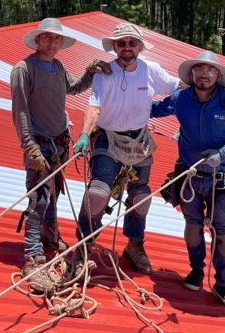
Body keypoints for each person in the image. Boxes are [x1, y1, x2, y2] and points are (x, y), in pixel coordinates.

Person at [10, 17, 111, 295]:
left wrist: (90, 73)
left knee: (53, 193)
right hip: (39, 144)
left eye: (57, 39)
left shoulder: (58, 66)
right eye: (48, 38)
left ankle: (48, 236)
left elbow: (73, 88)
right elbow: (20, 111)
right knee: (38, 199)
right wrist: (29, 146)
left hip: (58, 143)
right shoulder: (23, 69)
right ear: (38, 40)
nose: (53, 43)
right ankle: (33, 257)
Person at [72, 22, 180, 275]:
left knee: (140, 197)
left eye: (132, 43)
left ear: (140, 47)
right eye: (122, 43)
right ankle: (83, 247)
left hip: (139, 139)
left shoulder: (151, 70)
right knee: (98, 193)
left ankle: (134, 244)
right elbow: (94, 105)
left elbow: (180, 87)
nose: (127, 48)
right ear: (115, 47)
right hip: (109, 138)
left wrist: (213, 89)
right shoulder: (104, 72)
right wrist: (85, 133)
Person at [150, 50, 225, 314]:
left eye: (209, 70)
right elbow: (153, 110)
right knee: (192, 226)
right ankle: (196, 271)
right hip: (189, 177)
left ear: (218, 75)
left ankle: (222, 284)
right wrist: (117, 107)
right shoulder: (181, 98)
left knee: (222, 233)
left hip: (221, 180)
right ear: (192, 74)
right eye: (199, 69)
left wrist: (223, 154)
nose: (203, 74)